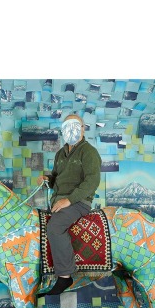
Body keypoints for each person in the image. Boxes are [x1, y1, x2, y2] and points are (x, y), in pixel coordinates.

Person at [37, 114, 102, 295]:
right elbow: (56, 178)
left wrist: (69, 200)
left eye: (75, 125)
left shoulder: (89, 152)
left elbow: (92, 181)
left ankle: (65, 276)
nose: (71, 130)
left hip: (78, 202)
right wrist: (47, 179)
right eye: (67, 126)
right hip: (58, 201)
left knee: (55, 227)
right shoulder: (60, 154)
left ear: (83, 128)